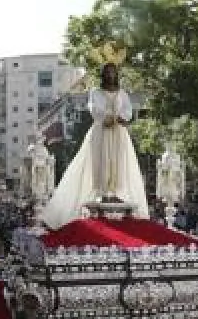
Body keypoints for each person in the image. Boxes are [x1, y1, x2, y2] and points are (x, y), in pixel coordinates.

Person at [41, 52, 150, 228]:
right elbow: (94, 108)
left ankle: (115, 191)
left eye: (113, 71)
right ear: (103, 74)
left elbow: (128, 110)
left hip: (119, 133)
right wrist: (106, 117)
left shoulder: (122, 93)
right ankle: (102, 191)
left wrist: (122, 118)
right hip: (101, 131)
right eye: (107, 71)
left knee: (118, 162)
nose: (111, 74)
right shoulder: (95, 92)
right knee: (100, 161)